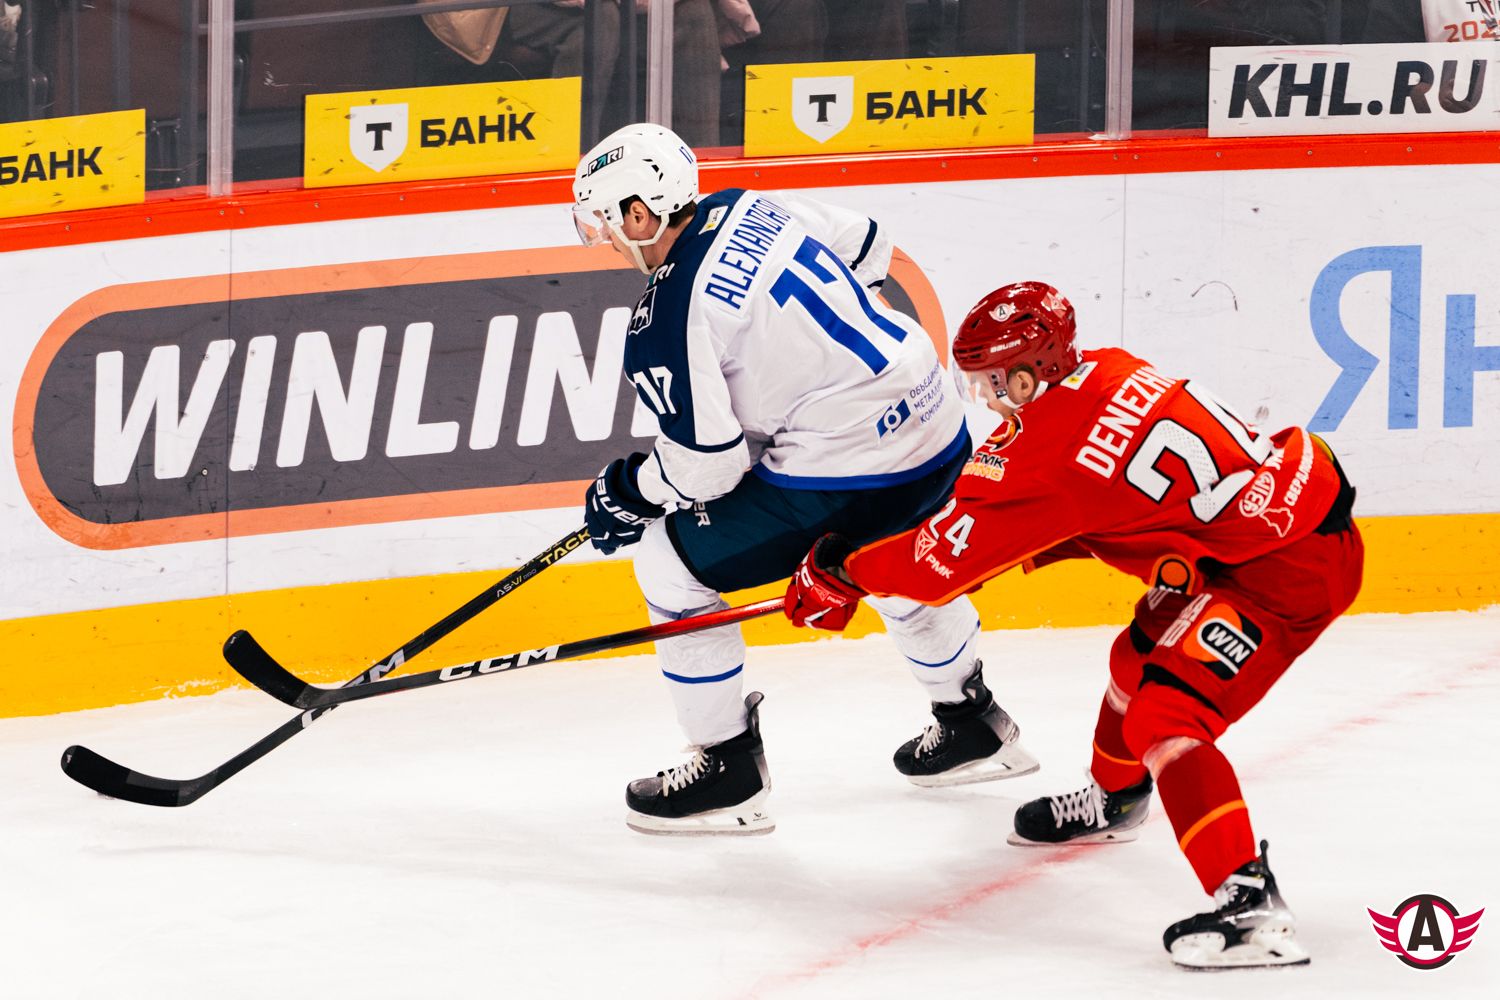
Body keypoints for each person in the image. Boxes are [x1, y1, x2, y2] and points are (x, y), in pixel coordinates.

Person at [784, 281, 1362, 968]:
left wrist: (842, 572)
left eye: (991, 382)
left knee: (1166, 718)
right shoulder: (1108, 369)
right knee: (1135, 658)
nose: (986, 398)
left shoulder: (1052, 451)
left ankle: (1251, 905)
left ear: (1027, 376)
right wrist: (1007, 544)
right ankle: (1116, 801)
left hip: (1282, 572)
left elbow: (936, 568)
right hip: (1261, 531)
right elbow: (1104, 501)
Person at [571, 122, 1039, 836]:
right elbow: (869, 243)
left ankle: (727, 769)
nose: (606, 238)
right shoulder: (749, 205)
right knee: (890, 556)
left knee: (668, 561)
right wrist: (832, 371)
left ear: (641, 214)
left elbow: (708, 466)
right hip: (937, 422)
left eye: (607, 221)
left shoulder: (667, 313)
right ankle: (973, 721)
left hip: (855, 472)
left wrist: (629, 492)